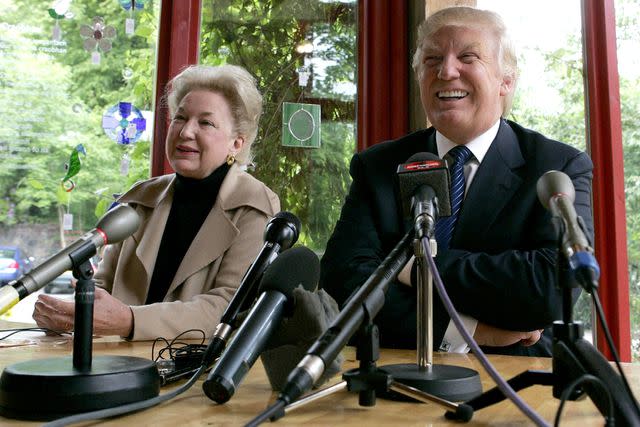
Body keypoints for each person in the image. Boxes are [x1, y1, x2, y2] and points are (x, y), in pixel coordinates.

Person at [320, 6, 593, 357]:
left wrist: (412, 266)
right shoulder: (377, 167)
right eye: (432, 58)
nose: (446, 71)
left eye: (468, 57)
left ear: (505, 81)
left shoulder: (557, 167)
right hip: (394, 378)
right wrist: (470, 331)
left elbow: (552, 287)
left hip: (516, 381)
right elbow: (344, 283)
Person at [33, 64, 280, 340]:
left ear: (237, 143)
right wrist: (70, 314)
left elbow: (227, 307)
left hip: (189, 373)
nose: (186, 132)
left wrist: (128, 321)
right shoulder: (141, 199)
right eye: (180, 118)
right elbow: (102, 287)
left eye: (205, 122)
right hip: (114, 365)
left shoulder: (255, 206)